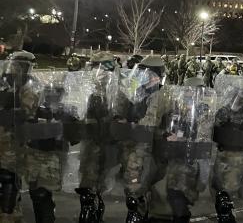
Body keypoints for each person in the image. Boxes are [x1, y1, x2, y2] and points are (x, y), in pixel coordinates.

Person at [61, 51, 117, 223]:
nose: (100, 73)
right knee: (88, 175)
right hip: (90, 138)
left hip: (107, 138)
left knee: (101, 177)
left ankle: (95, 207)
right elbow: (72, 107)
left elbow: (121, 111)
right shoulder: (85, 84)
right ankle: (88, 210)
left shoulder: (116, 85)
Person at [108, 55, 165, 223]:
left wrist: (130, 122)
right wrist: (118, 114)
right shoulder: (140, 90)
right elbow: (123, 107)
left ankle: (139, 214)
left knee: (136, 188)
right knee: (131, 186)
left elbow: (150, 121)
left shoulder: (160, 95)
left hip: (145, 147)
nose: (141, 75)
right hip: (131, 143)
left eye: (145, 72)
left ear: (154, 75)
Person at [15, 51, 68, 223]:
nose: (19, 69)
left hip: (34, 148)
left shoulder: (37, 87)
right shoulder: (5, 86)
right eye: (16, 64)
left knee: (40, 193)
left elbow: (44, 113)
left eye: (23, 65)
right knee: (10, 187)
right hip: (11, 145)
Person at [153, 78, 215, 222]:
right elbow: (161, 130)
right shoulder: (175, 111)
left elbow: (202, 140)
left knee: (178, 197)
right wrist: (165, 135)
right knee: (173, 196)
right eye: (187, 91)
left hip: (191, 164)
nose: (190, 95)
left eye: (193, 92)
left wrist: (180, 140)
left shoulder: (204, 112)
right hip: (175, 162)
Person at [210, 74, 243, 223]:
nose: (241, 97)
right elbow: (216, 126)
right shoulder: (225, 109)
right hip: (223, 152)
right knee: (220, 189)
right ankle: (224, 215)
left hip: (237, 155)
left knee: (228, 190)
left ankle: (226, 216)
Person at [0, 50, 36, 222]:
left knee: (10, 178)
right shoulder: (6, 84)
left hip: (14, 140)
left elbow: (25, 113)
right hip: (9, 141)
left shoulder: (27, 88)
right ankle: (8, 214)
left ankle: (10, 212)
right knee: (9, 177)